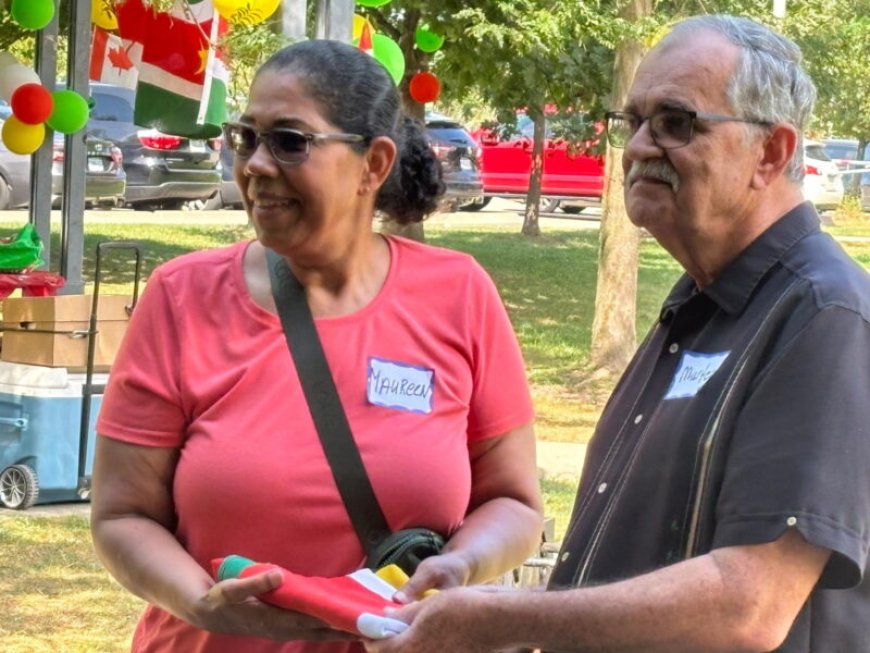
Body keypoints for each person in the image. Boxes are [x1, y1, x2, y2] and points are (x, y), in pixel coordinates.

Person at [366, 14, 870, 653]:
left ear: (769, 152)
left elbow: (749, 604)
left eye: (676, 123)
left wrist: (503, 621)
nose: (638, 148)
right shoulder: (704, 300)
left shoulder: (825, 314)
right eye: (633, 122)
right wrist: (489, 595)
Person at [89, 39, 543, 653]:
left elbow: (513, 502)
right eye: (246, 137)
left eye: (290, 141)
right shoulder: (181, 296)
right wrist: (201, 603)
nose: (254, 165)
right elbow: (123, 515)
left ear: (373, 165)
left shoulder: (459, 293)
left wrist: (460, 564)